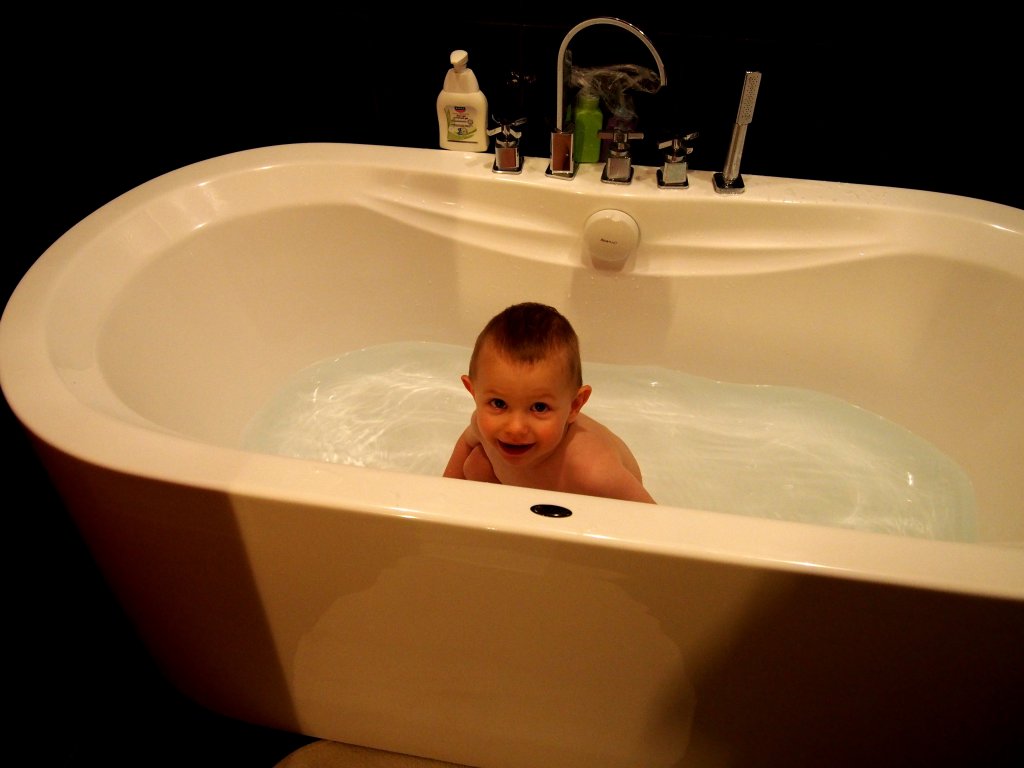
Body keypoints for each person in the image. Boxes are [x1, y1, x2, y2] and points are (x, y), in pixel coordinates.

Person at [443, 302, 655, 503]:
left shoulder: (592, 470)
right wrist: (442, 497)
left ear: (574, 406)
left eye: (539, 407)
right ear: (473, 392)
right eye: (498, 403)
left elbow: (653, 519)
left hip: (588, 510)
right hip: (532, 495)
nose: (515, 428)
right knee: (476, 466)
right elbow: (466, 443)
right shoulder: (483, 427)